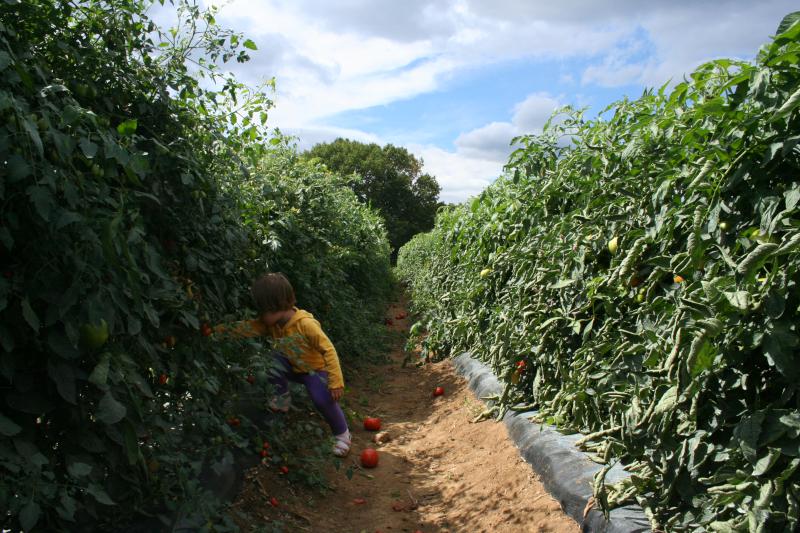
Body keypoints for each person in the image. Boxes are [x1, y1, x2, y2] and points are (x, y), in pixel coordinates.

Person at [223, 272, 351, 457]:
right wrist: (220, 331)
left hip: (314, 370)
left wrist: (336, 381)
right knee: (272, 360)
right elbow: (247, 328)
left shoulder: (306, 324)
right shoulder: (272, 324)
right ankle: (281, 398)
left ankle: (342, 434)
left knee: (322, 399)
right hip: (291, 366)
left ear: (275, 307)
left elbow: (328, 350)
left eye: (261, 310)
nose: (259, 315)